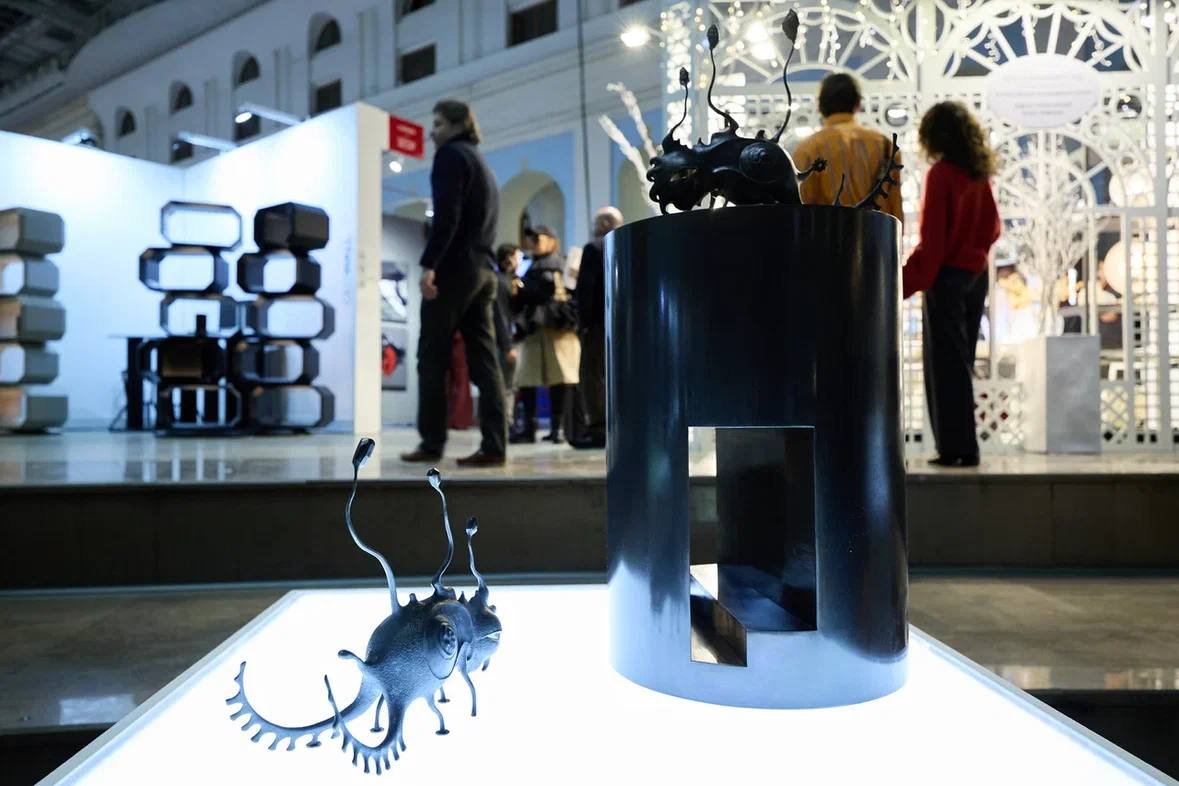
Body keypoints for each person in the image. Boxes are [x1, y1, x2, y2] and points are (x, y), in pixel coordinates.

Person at [400, 100, 507, 467]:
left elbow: (447, 216)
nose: (433, 132)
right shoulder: (481, 162)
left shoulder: (450, 156)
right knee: (485, 361)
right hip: (484, 270)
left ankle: (431, 442)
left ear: (459, 125)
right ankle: (495, 446)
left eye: (439, 124)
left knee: (432, 357)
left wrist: (430, 264)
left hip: (455, 269)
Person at [902, 101, 1001, 468]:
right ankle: (964, 447)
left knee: (944, 363)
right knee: (961, 362)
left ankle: (954, 447)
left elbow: (933, 241)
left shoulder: (940, 175)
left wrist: (901, 283)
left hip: (946, 277)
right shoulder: (978, 175)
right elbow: (994, 228)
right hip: (975, 276)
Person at [792, 73, 903, 221]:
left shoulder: (807, 149)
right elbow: (895, 207)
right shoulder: (885, 145)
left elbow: (802, 210)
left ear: (819, 106)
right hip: (875, 233)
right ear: (858, 103)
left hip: (828, 233)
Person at [510, 225, 580, 444]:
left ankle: (558, 429)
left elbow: (562, 292)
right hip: (534, 329)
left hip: (559, 330)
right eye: (532, 239)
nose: (533, 243)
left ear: (551, 240)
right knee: (527, 379)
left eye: (538, 238)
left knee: (560, 379)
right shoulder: (530, 266)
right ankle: (529, 429)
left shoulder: (562, 263)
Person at [569, 206, 623, 450]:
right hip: (621, 325)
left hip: (597, 324)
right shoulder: (626, 246)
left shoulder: (594, 248)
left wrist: (583, 322)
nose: (593, 227)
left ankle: (599, 428)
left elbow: (586, 291)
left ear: (604, 223)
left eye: (596, 222)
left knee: (592, 375)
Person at [493, 243, 522, 420]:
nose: (519, 261)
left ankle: (505, 421)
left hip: (506, 340)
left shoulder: (510, 281)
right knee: (506, 385)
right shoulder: (501, 282)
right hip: (504, 341)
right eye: (517, 257)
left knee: (508, 384)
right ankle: (504, 421)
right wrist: (507, 345)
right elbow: (500, 315)